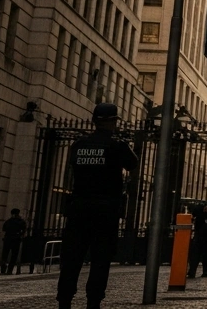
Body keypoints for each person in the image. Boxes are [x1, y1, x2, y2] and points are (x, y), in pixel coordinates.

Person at [55, 102, 138, 309]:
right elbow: (133, 164)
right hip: (105, 210)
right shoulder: (116, 145)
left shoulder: (79, 144)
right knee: (101, 259)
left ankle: (64, 300)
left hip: (79, 207)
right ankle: (93, 302)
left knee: (72, 259)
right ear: (112, 122)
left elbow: (74, 166)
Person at [186, 203, 207, 278]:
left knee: (204, 256)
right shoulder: (201, 216)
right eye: (206, 207)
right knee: (195, 256)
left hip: (206, 239)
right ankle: (192, 272)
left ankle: (205, 272)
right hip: (200, 238)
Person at [1, 208, 26, 274]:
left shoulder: (8, 221)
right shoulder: (21, 222)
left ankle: (3, 269)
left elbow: (3, 231)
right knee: (14, 256)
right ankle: (9, 270)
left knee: (5, 255)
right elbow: (23, 231)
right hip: (16, 240)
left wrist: (4, 238)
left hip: (8, 239)